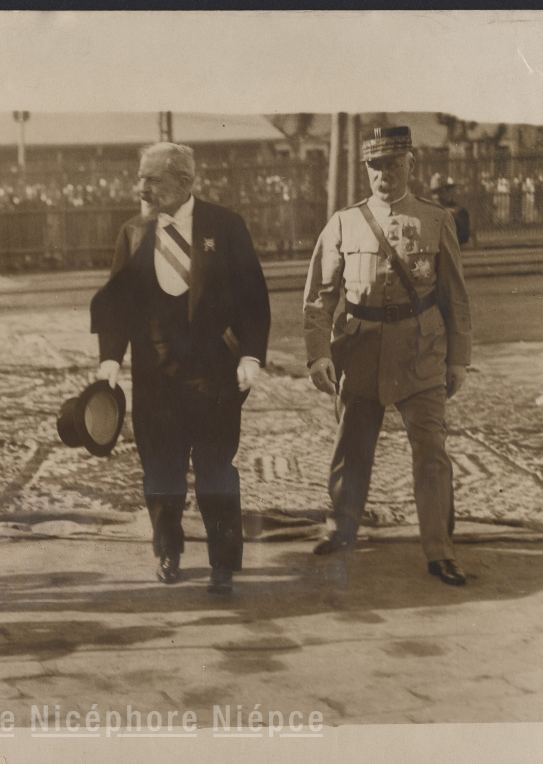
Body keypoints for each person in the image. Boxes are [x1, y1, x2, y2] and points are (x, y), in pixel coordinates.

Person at [90, 142, 271, 595]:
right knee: (162, 470)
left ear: (185, 182)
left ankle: (223, 563)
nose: (141, 188)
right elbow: (117, 304)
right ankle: (167, 550)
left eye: (152, 179)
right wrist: (110, 359)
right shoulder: (133, 232)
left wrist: (250, 356)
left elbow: (253, 297)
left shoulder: (225, 227)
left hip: (215, 374)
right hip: (155, 376)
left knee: (215, 468)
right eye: (140, 177)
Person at [303, 126, 472, 587]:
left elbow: (455, 296)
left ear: (411, 165)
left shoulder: (436, 219)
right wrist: (318, 355)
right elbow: (319, 298)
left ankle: (440, 550)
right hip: (360, 350)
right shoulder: (344, 223)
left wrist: (458, 359)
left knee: (431, 451)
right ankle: (341, 528)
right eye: (375, 166)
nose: (384, 174)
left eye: (393, 164)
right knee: (352, 446)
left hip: (421, 350)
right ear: (366, 169)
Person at [429, 173, 471, 246]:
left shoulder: (459, 211)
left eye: (441, 191)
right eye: (434, 192)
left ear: (448, 191)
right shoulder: (428, 211)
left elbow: (463, 238)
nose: (437, 196)